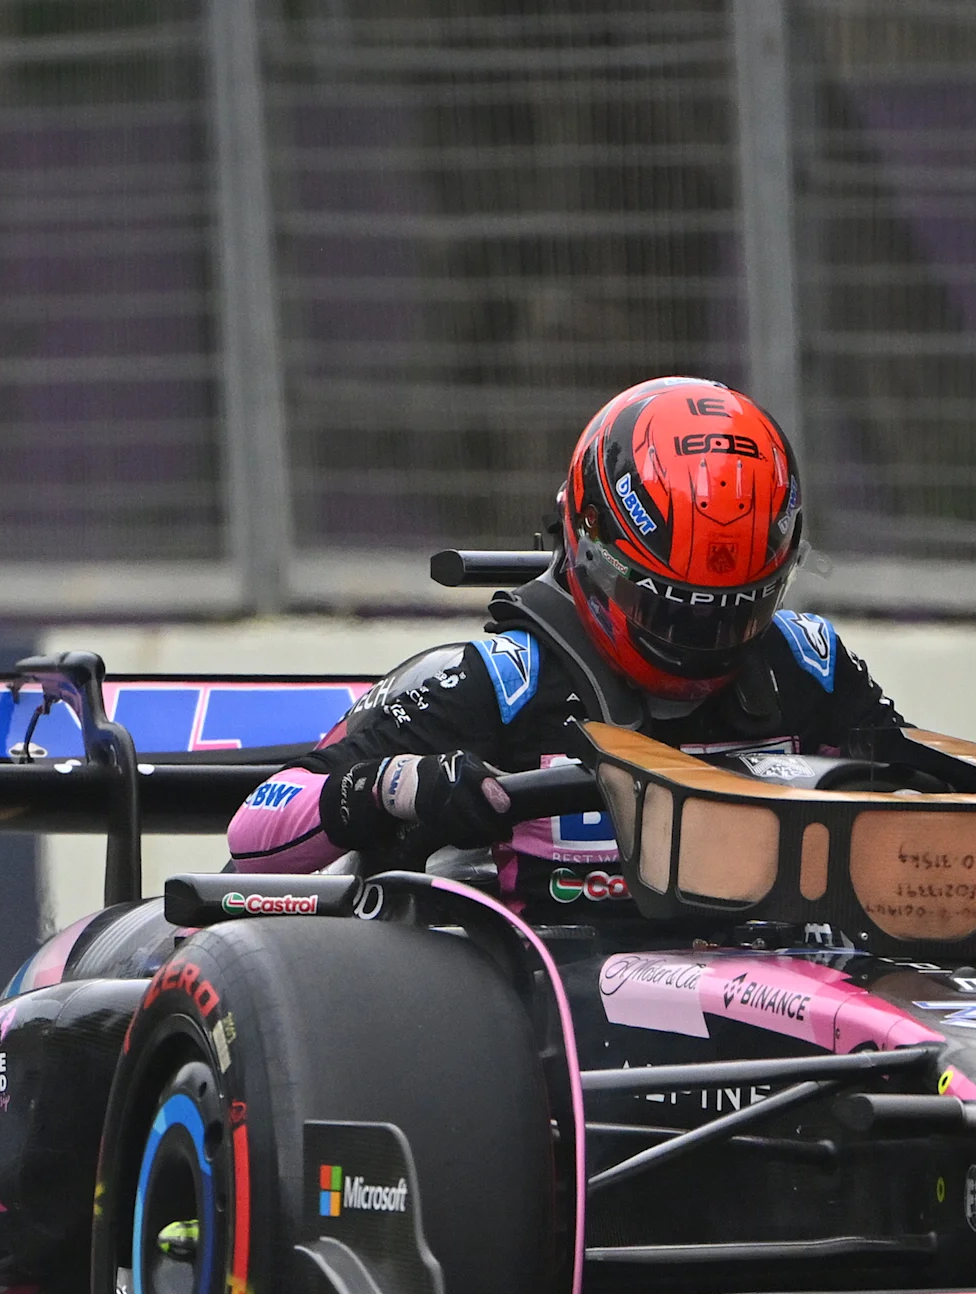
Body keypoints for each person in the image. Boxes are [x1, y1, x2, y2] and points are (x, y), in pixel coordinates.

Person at [225, 376, 910, 901]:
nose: (703, 637)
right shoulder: (495, 685)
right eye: (671, 608)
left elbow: (926, 800)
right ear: (589, 549)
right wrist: (392, 788)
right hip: (528, 1032)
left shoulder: (808, 666)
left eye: (733, 612)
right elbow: (254, 831)